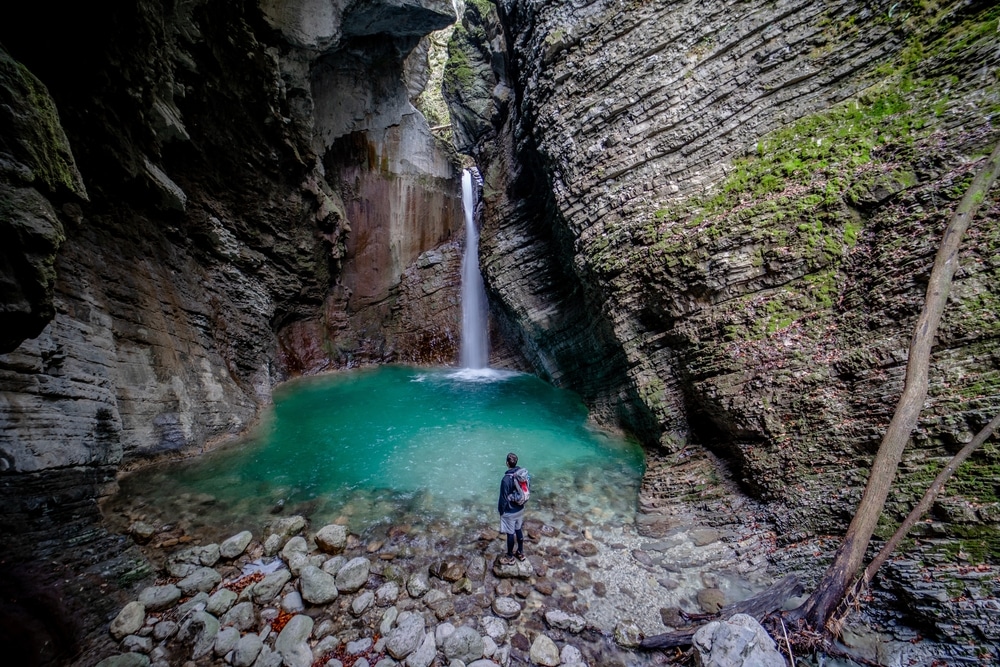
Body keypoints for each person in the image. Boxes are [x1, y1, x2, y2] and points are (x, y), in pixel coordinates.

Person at [497, 451, 526, 565]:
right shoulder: (522, 474)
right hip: (520, 508)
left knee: (510, 533)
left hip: (510, 511)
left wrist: (501, 511)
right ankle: (520, 552)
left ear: (507, 463)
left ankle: (510, 557)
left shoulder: (506, 480)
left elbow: (503, 498)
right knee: (518, 529)